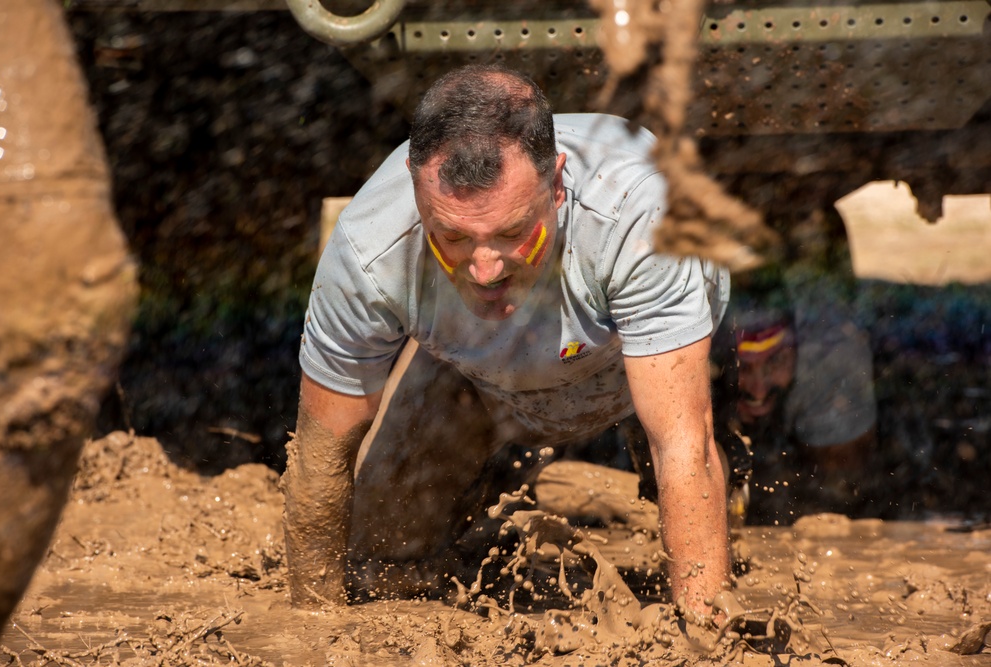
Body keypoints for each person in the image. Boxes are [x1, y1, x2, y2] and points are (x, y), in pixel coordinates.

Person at [282, 64, 732, 620]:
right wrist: (309, 622)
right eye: (452, 236)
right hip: (473, 370)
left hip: (627, 348)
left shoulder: (638, 219)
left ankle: (628, 484)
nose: (485, 268)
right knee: (383, 552)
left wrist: (710, 631)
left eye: (513, 232)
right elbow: (322, 452)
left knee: (683, 466)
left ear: (558, 184)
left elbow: (683, 441)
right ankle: (545, 488)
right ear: (416, 188)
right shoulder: (370, 252)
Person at [709, 269, 877, 523]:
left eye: (775, 361)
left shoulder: (831, 367)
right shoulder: (692, 357)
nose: (758, 389)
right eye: (742, 366)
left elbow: (843, 498)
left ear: (797, 349)